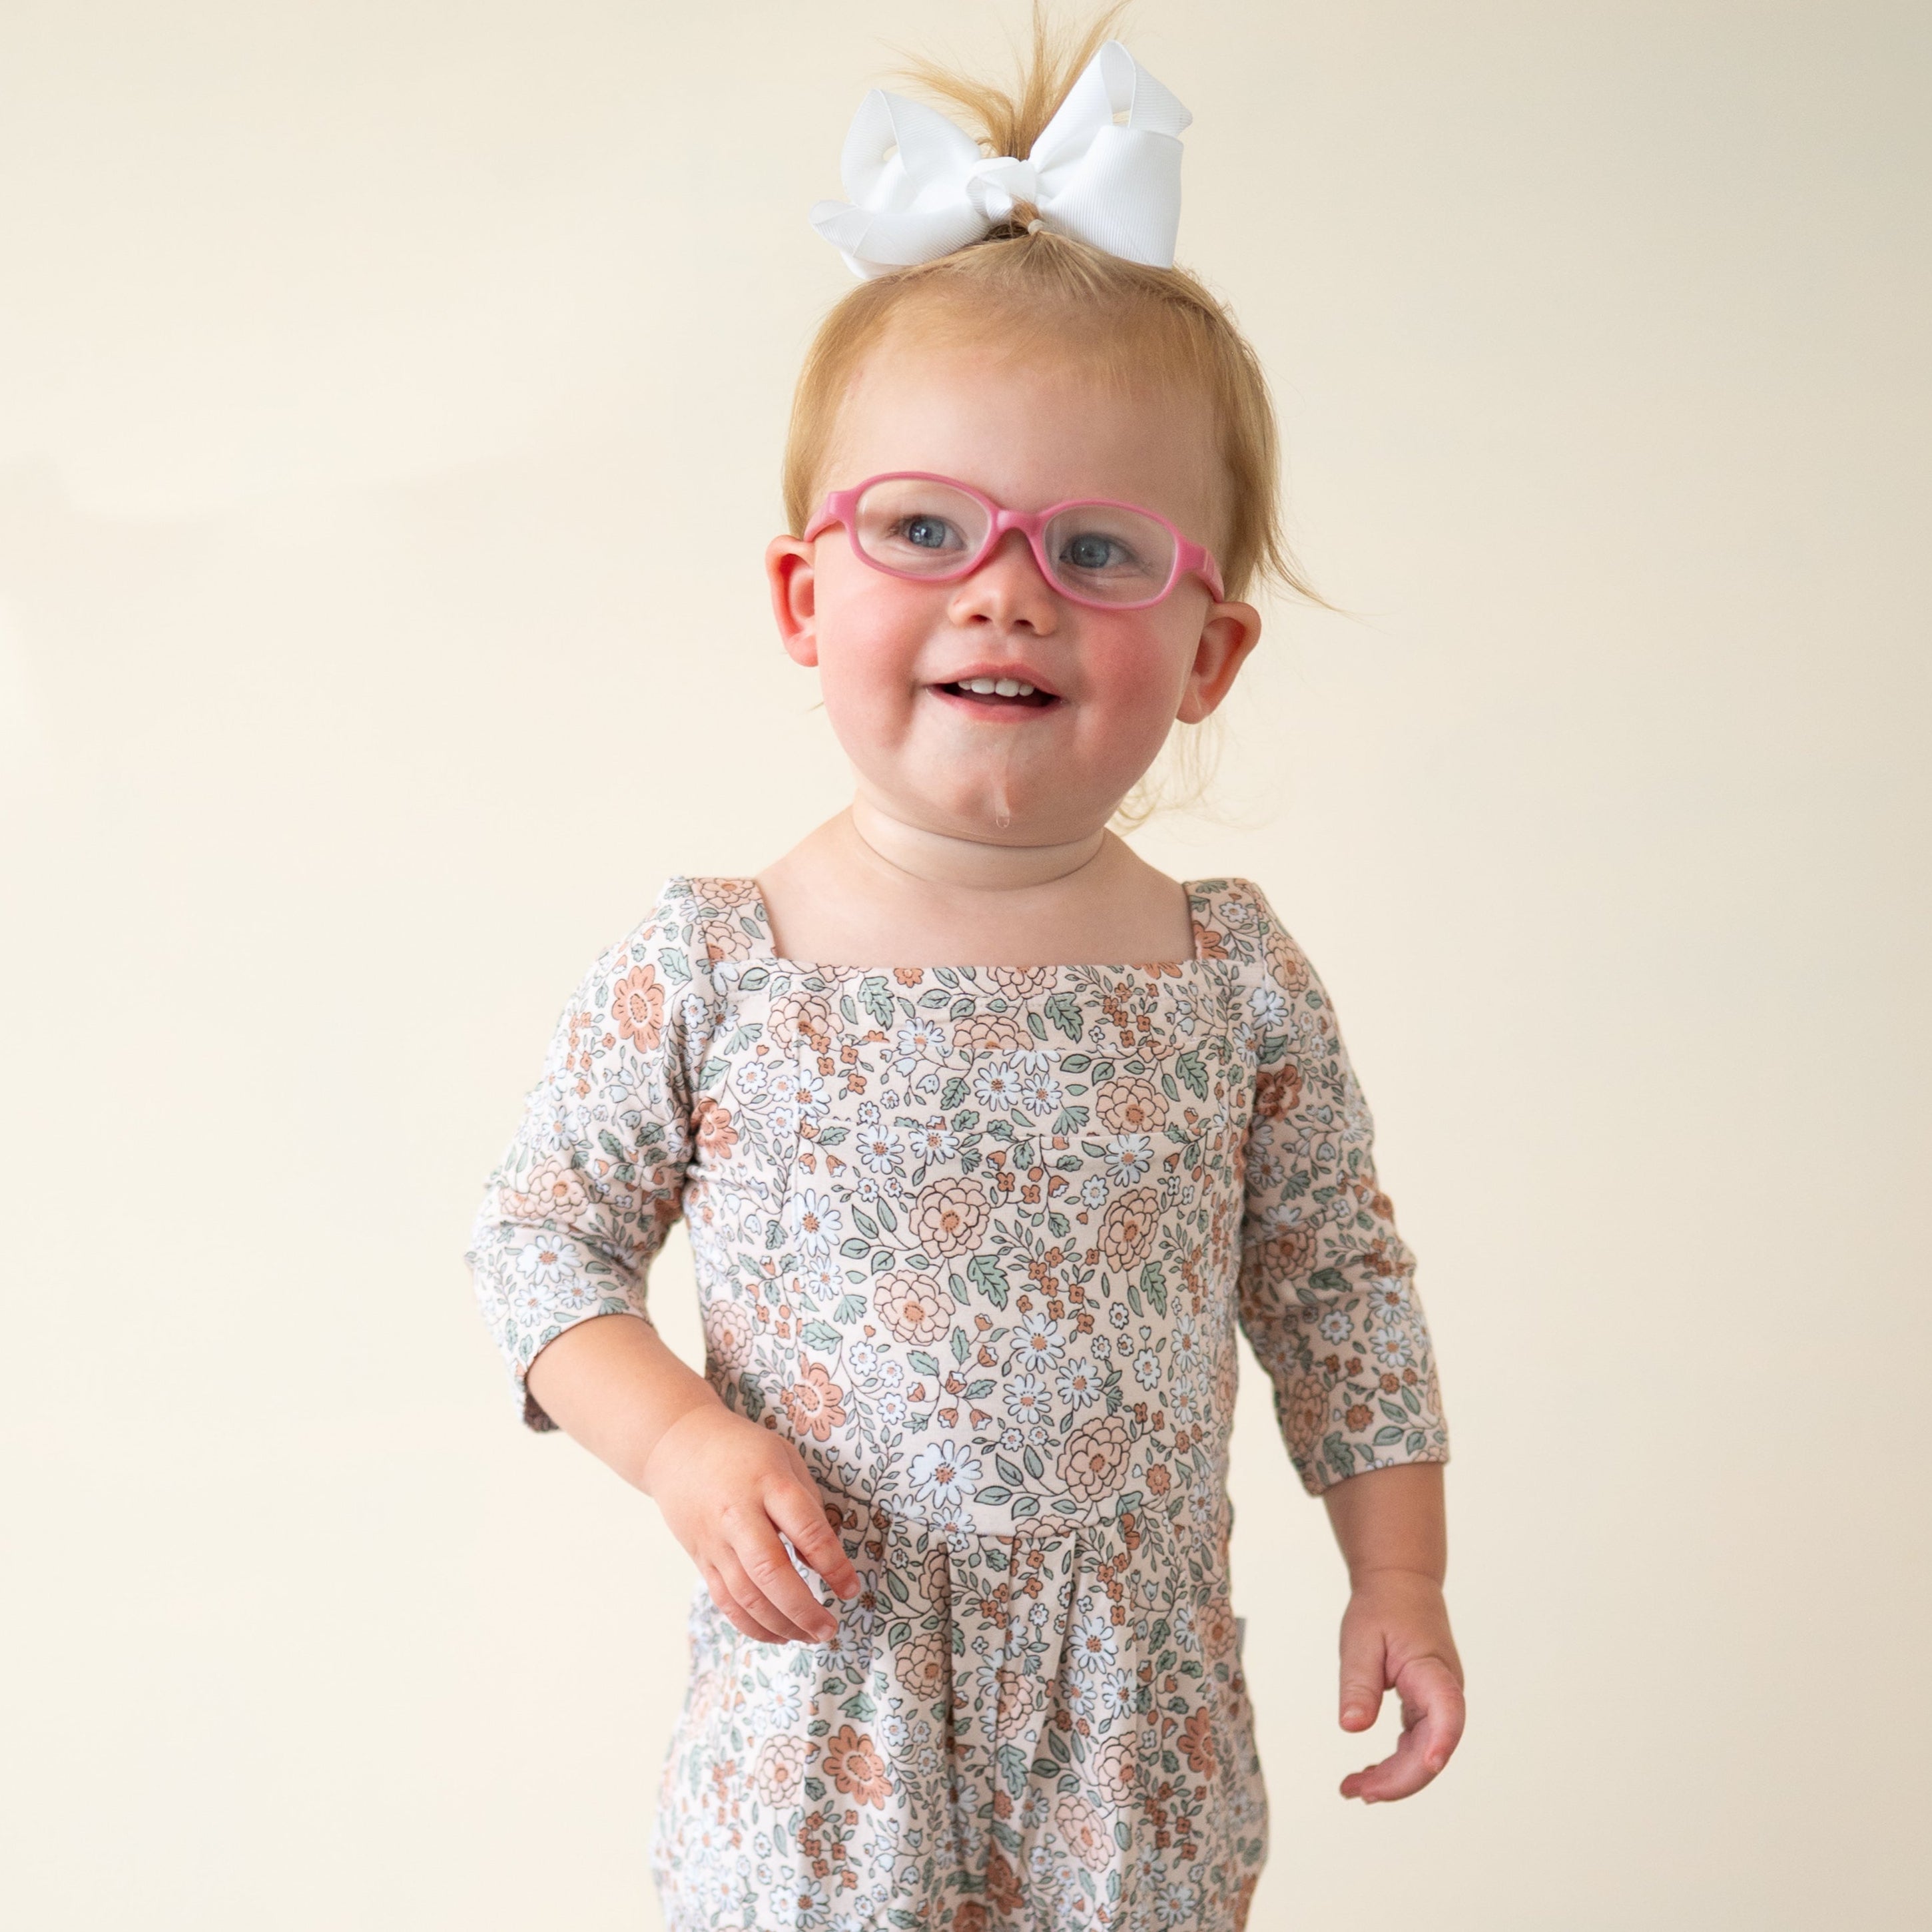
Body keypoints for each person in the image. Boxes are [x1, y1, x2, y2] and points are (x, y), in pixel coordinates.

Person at [467, 13, 1461, 1927]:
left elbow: (1342, 1291)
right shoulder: (722, 964)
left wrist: (1398, 1577)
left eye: (1096, 549)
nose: (1003, 590)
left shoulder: (1228, 982)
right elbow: (537, 1245)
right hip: (821, 1714)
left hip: (1131, 1733)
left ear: (1209, 659)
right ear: (806, 595)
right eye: (926, 529)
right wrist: (676, 1440)